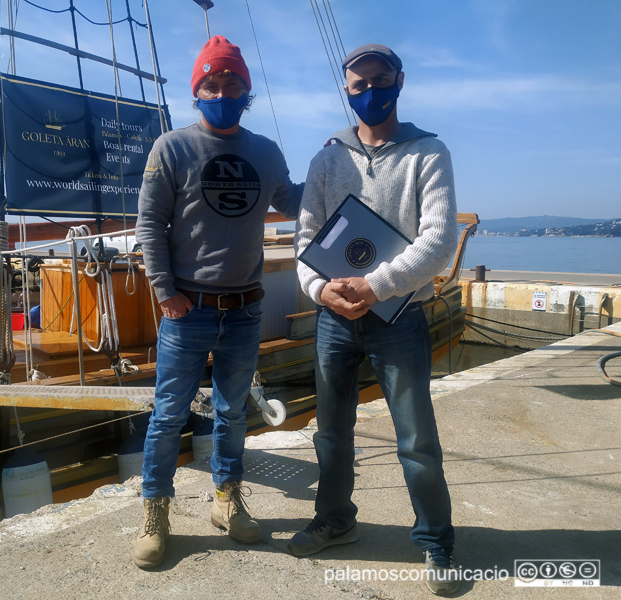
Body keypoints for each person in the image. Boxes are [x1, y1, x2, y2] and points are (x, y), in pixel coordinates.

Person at [291, 43, 460, 596]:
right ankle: (335, 520)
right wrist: (322, 290)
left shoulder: (428, 152)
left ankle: (436, 540)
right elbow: (305, 240)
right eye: (358, 85)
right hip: (335, 319)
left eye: (379, 80)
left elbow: (439, 241)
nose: (369, 92)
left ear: (400, 81)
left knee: (416, 438)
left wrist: (375, 285)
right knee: (331, 434)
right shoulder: (325, 159)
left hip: (400, 316)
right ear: (346, 89)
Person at [133, 35, 303, 569]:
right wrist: (166, 293)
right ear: (196, 92)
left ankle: (227, 501)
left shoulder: (266, 152)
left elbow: (294, 200)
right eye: (211, 83)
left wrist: (333, 169)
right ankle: (155, 511)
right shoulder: (171, 148)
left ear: (246, 91)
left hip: (247, 309)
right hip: (190, 309)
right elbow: (149, 226)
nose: (221, 91)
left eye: (232, 83)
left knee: (231, 415)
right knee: (167, 416)